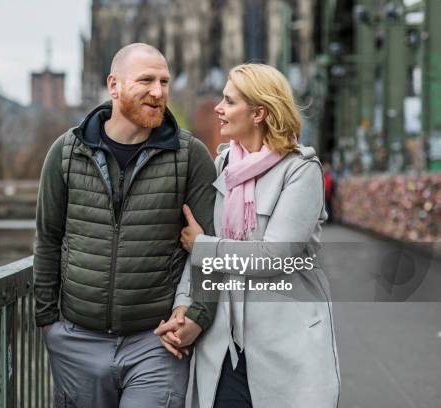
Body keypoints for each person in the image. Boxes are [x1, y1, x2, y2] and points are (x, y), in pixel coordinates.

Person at [33, 43, 217, 407]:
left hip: (156, 344)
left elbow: (212, 249)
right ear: (113, 86)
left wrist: (199, 314)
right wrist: (48, 322)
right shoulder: (67, 152)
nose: (158, 91)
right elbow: (48, 239)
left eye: (164, 81)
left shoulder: (190, 156)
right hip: (77, 342)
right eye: (146, 80)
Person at [155, 64, 341, 408]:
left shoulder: (300, 171)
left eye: (229, 101)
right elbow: (196, 259)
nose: (218, 108)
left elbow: (274, 256)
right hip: (225, 348)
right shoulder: (223, 167)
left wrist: (203, 247)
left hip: (286, 346)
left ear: (259, 113)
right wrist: (183, 307)